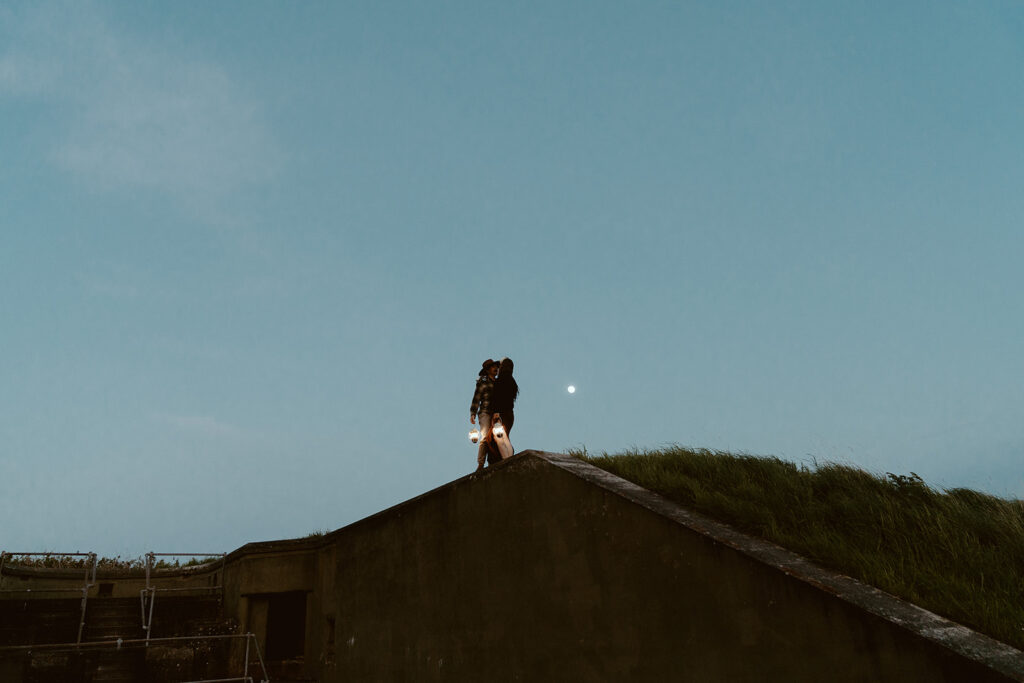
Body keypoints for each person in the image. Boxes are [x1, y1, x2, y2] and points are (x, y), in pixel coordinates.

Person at [469, 359, 498, 471]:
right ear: (487, 370)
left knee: (500, 435)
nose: (495, 369)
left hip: (496, 413)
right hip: (485, 412)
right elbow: (476, 398)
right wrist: (473, 413)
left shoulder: (499, 383)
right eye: (492, 367)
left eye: (496, 367)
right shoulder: (483, 383)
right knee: (485, 436)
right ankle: (481, 463)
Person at [490, 357, 518, 461]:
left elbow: (497, 398)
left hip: (501, 413)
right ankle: (508, 457)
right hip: (510, 414)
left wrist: (496, 413)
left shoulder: (500, 380)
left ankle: (507, 459)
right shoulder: (512, 381)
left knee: (498, 437)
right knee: (505, 437)